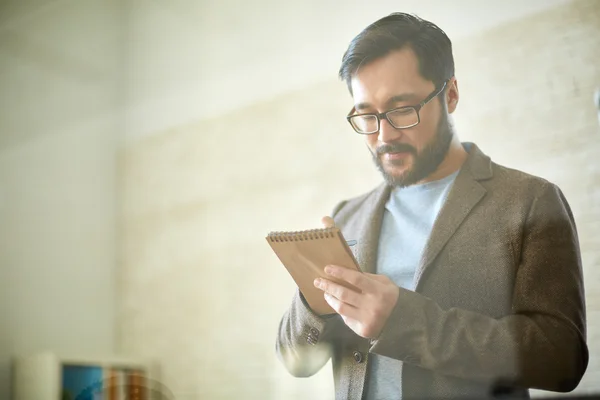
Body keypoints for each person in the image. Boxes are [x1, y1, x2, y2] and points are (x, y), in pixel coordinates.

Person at [275, 12, 588, 400]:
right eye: (367, 115)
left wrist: (402, 321)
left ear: (450, 94)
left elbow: (562, 358)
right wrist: (316, 297)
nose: (384, 135)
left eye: (402, 108)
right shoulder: (346, 217)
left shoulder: (529, 201)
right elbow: (295, 361)